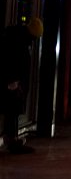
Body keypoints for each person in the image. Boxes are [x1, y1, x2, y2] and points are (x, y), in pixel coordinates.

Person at [1, 17, 43, 154]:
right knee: (12, 110)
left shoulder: (17, 38)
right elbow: (14, 62)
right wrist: (13, 81)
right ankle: (11, 139)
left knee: (12, 111)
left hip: (14, 82)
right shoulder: (19, 42)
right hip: (13, 83)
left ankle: (11, 138)